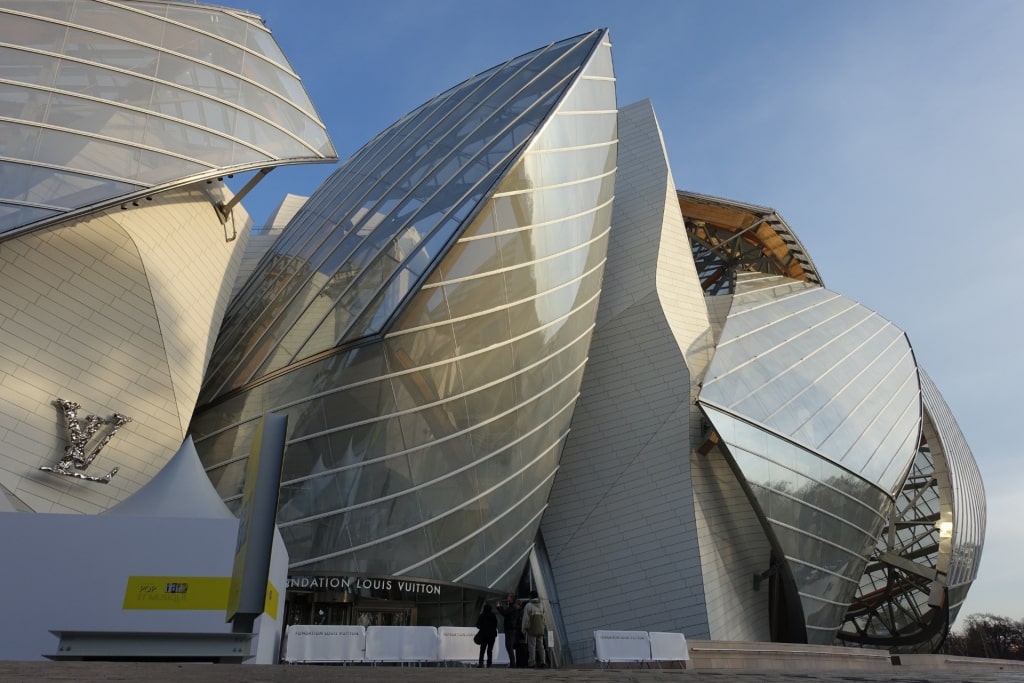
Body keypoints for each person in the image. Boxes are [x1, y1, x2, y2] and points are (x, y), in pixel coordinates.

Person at [521, 590, 547, 668]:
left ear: (530, 596)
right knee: (541, 646)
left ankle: (532, 663)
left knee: (532, 646)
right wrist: (543, 627)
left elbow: (525, 619)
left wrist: (524, 629)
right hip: (540, 629)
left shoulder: (528, 605)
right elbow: (544, 618)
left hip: (532, 629)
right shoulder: (542, 605)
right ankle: (543, 662)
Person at [495, 593, 520, 668]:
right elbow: (505, 613)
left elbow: (504, 613)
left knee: (509, 646)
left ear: (511, 599)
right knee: (509, 646)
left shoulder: (512, 607)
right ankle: (513, 663)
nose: (507, 598)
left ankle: (513, 664)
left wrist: (499, 607)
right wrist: (500, 607)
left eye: (508, 597)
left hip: (510, 629)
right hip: (510, 629)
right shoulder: (512, 607)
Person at [475, 602, 498, 668]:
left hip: (484, 635)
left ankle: (481, 663)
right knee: (490, 650)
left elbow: (478, 625)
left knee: (482, 650)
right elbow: (496, 625)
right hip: (492, 635)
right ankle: (489, 664)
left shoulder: (482, 616)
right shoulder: (493, 615)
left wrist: (483, 627)